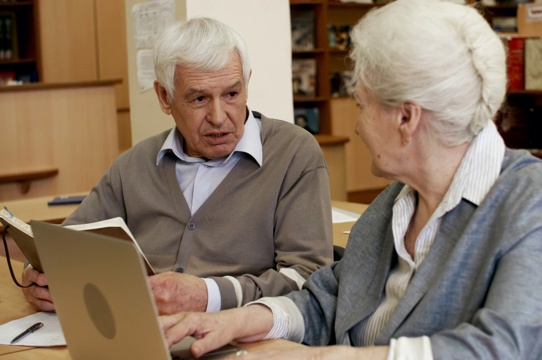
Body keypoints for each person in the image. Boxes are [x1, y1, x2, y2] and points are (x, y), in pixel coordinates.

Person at [159, 0, 542, 358]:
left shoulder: (531, 200)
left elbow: (505, 349)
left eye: (363, 105)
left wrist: (323, 358)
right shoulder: (396, 203)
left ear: (406, 118)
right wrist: (239, 319)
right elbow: (325, 299)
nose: (359, 126)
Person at [21, 17, 333, 315]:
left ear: (246, 85)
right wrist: (38, 277)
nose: (219, 116)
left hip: (240, 336)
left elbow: (309, 278)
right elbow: (65, 244)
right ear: (164, 96)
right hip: (138, 331)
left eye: (232, 94)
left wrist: (206, 295)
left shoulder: (293, 153)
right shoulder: (135, 165)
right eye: (199, 99)